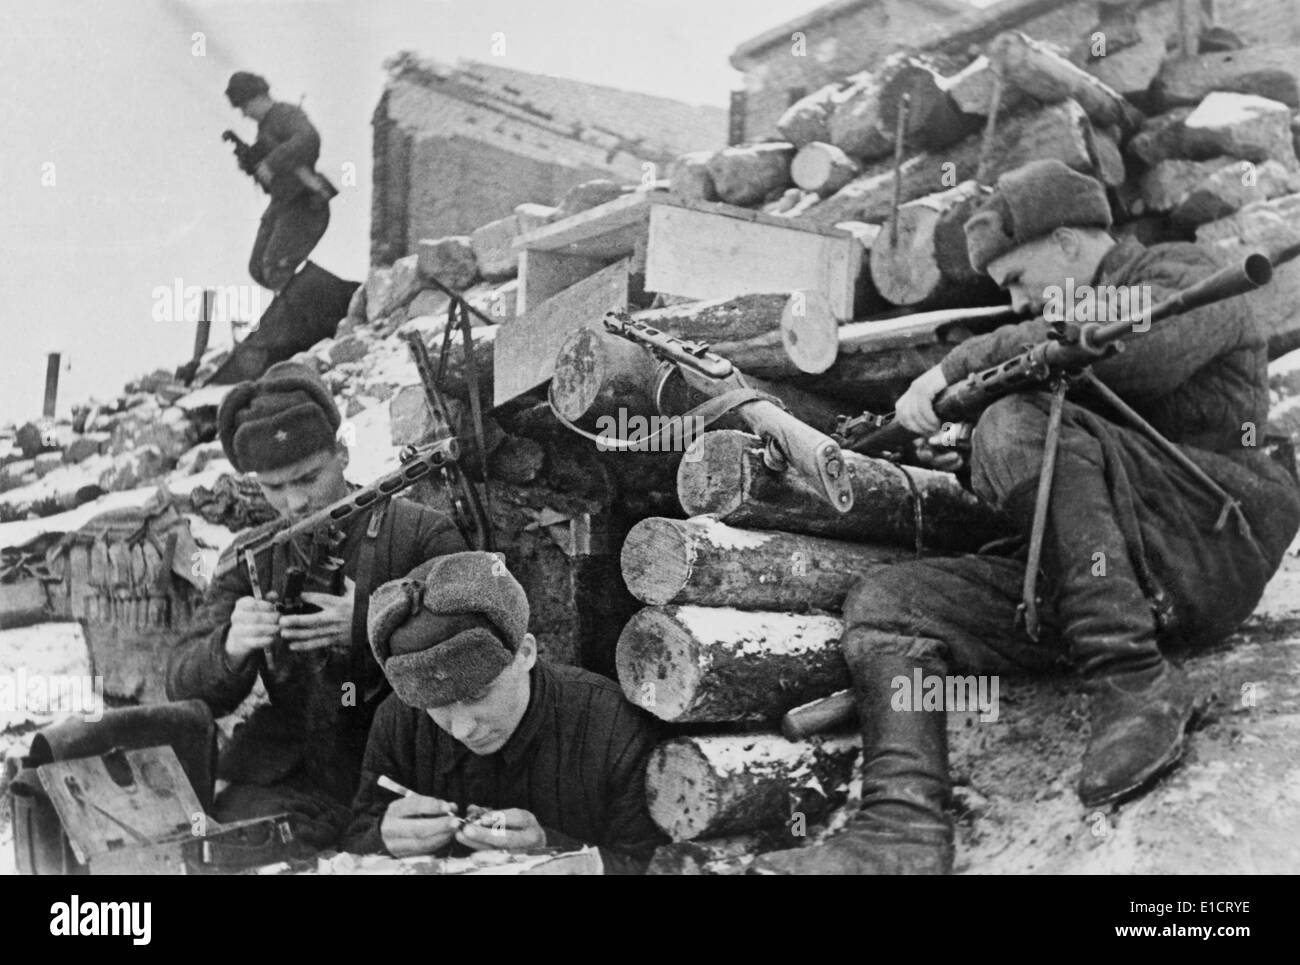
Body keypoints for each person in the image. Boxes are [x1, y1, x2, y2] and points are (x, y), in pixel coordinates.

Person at [755, 159, 1300, 875]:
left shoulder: (1183, 271)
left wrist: (957, 371)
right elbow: (1062, 450)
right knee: (891, 604)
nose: (1015, 302)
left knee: (1013, 420)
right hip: (1105, 567)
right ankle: (902, 828)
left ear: (1071, 244)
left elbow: (1129, 354)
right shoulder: (1056, 328)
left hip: (1204, 545)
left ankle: (1133, 680)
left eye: (1017, 278)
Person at [166, 361, 466, 850]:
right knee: (227, 846)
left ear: (343, 454)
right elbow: (181, 679)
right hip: (292, 777)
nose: (295, 502)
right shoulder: (250, 554)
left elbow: (473, 646)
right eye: (274, 487)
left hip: (405, 769)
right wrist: (230, 646)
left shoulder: (418, 532)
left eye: (308, 477)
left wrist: (373, 625)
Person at [341, 551, 668, 874]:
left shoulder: (611, 726)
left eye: (477, 694)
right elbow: (355, 838)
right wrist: (381, 839)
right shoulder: (398, 720)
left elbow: (655, 864)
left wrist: (554, 851)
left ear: (525, 653)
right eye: (437, 704)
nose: (462, 729)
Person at [225, 71, 331, 293]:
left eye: (244, 106)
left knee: (275, 267)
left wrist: (271, 162)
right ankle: (305, 305)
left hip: (305, 202)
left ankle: (303, 320)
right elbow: (273, 180)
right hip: (283, 203)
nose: (244, 114)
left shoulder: (285, 114)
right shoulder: (265, 129)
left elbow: (308, 138)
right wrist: (253, 165)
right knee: (258, 268)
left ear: (256, 98)